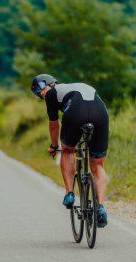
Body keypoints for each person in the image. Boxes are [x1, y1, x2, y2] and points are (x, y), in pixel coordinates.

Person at [31, 74, 109, 227]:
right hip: (100, 113)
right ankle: (100, 207)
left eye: (41, 87)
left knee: (67, 150)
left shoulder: (52, 94)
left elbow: (54, 125)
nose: (41, 93)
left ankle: (69, 193)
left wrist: (54, 146)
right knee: (98, 164)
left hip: (76, 112)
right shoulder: (76, 86)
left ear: (52, 83)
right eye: (37, 93)